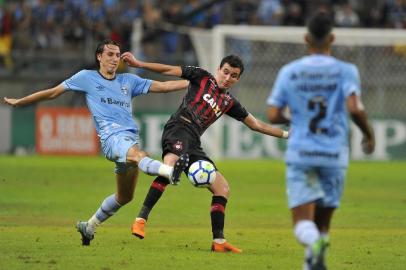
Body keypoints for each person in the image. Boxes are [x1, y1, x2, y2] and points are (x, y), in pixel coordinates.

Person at [3, 39, 190, 246]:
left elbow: (164, 86)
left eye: (117, 55)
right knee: (140, 156)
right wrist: (21, 101)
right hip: (111, 139)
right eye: (109, 54)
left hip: (129, 139)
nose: (114, 59)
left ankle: (89, 226)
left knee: (124, 196)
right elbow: (53, 92)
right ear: (99, 57)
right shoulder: (86, 77)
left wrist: (197, 84)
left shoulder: (129, 81)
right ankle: (170, 172)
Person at [120, 52, 290, 253]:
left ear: (238, 79)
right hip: (179, 127)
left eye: (233, 75)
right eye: (225, 72)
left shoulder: (229, 102)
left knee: (222, 188)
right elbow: (168, 69)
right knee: (170, 163)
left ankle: (218, 242)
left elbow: (256, 125)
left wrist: (287, 135)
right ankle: (141, 219)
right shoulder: (201, 76)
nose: (227, 78)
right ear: (219, 69)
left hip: (194, 142)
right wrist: (139, 63)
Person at [266, 12, 375, 270]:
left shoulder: (290, 71)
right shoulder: (346, 71)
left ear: (306, 38)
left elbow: (272, 113)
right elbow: (355, 108)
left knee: (303, 223)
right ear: (332, 38)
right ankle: (315, 262)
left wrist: (295, 119)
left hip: (301, 152)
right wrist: (368, 133)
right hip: (334, 153)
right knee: (324, 222)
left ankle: (313, 244)